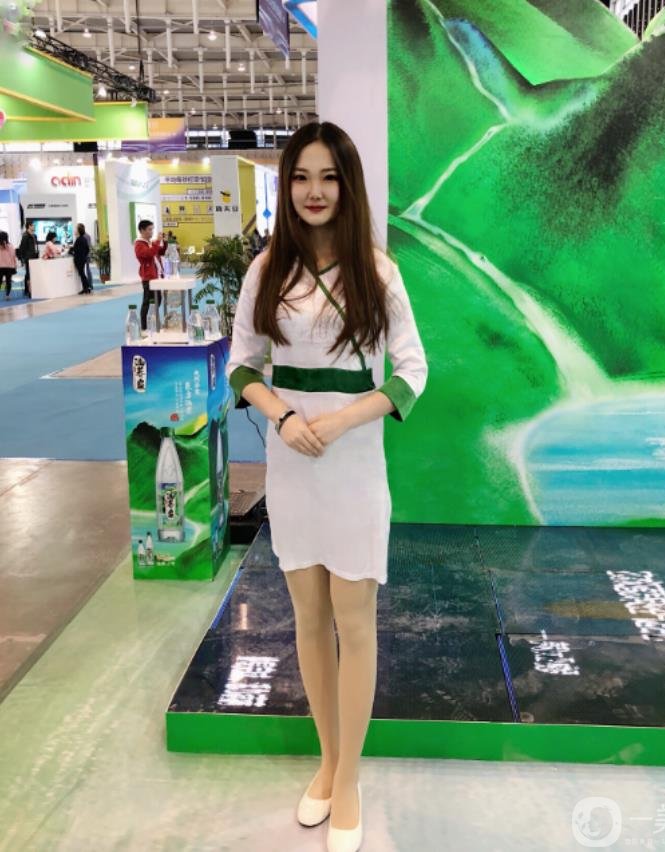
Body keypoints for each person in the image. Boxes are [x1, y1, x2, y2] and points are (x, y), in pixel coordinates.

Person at [226, 122, 428, 852]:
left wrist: (343, 418)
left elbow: (412, 372)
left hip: (353, 469)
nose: (314, 191)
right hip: (292, 470)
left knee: (356, 621)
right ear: (287, 186)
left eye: (329, 177)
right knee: (308, 619)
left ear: (348, 185)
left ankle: (349, 782)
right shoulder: (265, 271)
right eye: (302, 177)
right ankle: (328, 760)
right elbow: (242, 367)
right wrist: (282, 417)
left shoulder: (377, 272)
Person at [134, 220, 167, 330]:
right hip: (148, 276)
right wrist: (157, 241)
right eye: (149, 229)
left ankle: (153, 321)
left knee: (158, 300)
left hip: (156, 275)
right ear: (142, 230)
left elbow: (160, 252)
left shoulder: (150, 243)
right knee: (147, 302)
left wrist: (165, 242)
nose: (152, 232)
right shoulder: (139, 244)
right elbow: (149, 253)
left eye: (152, 229)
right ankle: (144, 326)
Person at [17, 221, 38, 298]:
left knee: (32, 274)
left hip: (34, 257)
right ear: (29, 226)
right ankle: (28, 290)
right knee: (29, 274)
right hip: (28, 258)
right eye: (33, 225)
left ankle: (32, 289)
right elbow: (22, 248)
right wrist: (23, 258)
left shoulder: (34, 236)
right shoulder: (25, 236)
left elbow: (35, 246)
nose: (34, 227)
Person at [71, 224, 92, 294]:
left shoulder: (79, 239)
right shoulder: (84, 239)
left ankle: (87, 287)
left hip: (79, 260)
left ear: (78, 231)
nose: (75, 230)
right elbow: (87, 249)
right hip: (82, 259)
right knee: (82, 273)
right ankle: (85, 288)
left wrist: (74, 253)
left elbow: (75, 249)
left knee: (82, 274)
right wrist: (84, 255)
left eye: (76, 229)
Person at [0, 231, 17, 300]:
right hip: (9, 266)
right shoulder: (11, 246)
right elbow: (13, 256)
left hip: (0, 266)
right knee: (8, 281)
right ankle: (7, 295)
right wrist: (15, 265)